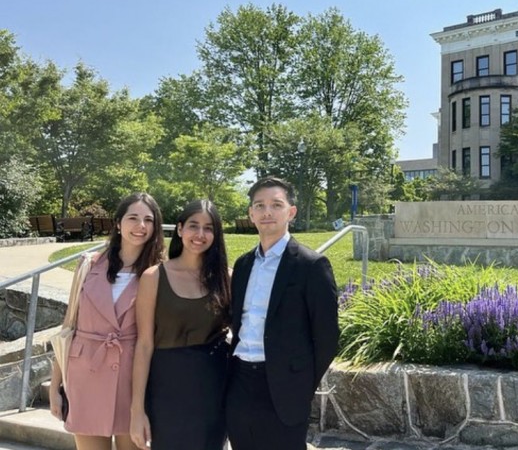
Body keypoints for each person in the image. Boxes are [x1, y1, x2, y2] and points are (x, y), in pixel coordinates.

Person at [226, 177, 339, 450]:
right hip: (240, 382)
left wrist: (300, 383)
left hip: (285, 387)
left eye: (276, 205)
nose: (267, 212)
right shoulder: (242, 265)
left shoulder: (311, 265)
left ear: (291, 212)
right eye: (259, 205)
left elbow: (327, 338)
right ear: (251, 214)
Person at [48, 192, 164, 450]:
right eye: (133, 218)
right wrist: (55, 385)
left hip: (133, 381)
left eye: (148, 219)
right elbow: (69, 328)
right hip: (84, 376)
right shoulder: (89, 265)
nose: (140, 226)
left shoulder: (159, 273)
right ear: (118, 223)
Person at [130, 199, 230, 450]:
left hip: (213, 388)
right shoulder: (153, 277)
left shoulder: (226, 278)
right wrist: (137, 410)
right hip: (166, 389)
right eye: (193, 226)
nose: (200, 234)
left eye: (209, 228)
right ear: (179, 229)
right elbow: (143, 345)